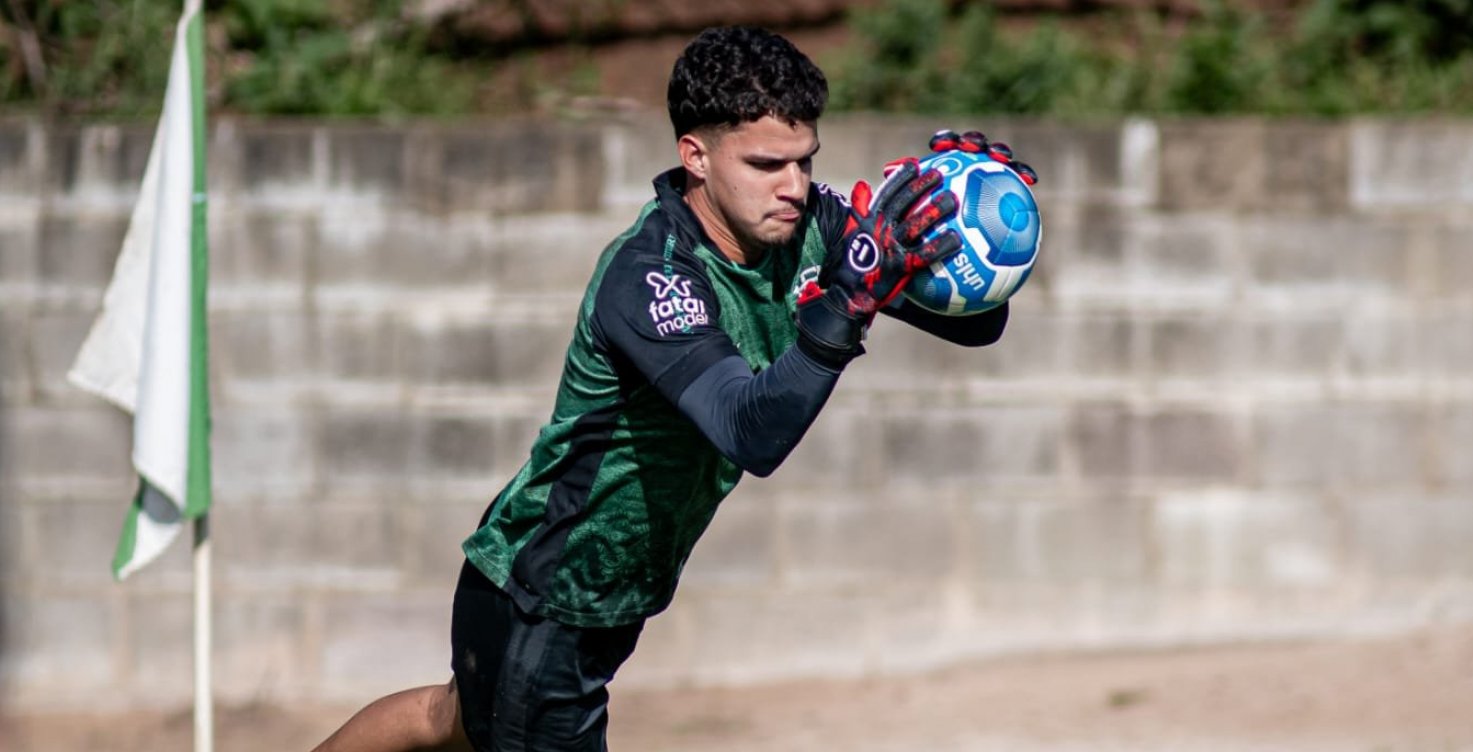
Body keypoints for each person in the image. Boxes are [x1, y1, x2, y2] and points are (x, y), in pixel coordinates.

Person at [313, 25, 1036, 752]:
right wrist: (845, 308)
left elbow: (979, 326)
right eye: (766, 164)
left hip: (605, 594)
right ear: (695, 154)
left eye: (804, 161)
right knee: (464, 724)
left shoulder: (807, 224)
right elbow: (749, 430)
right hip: (547, 594)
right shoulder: (653, 276)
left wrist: (961, 240)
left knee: (448, 724)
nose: (793, 184)